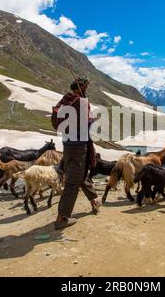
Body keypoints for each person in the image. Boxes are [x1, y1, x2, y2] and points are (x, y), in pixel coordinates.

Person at [52, 77, 101, 230]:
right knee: (73, 180)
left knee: (78, 174)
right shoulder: (81, 102)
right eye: (86, 86)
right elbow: (85, 123)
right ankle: (62, 217)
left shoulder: (65, 100)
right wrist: (93, 122)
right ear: (83, 87)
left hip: (67, 145)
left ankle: (94, 200)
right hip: (79, 146)